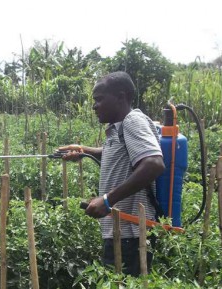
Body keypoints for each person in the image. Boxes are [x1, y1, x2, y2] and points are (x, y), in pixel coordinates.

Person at [59, 71, 165, 276]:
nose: (94, 106)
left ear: (121, 97)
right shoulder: (118, 128)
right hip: (121, 233)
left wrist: (107, 200)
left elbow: (153, 163)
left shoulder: (132, 121)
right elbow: (118, 154)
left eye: (99, 99)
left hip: (131, 235)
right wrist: (84, 151)